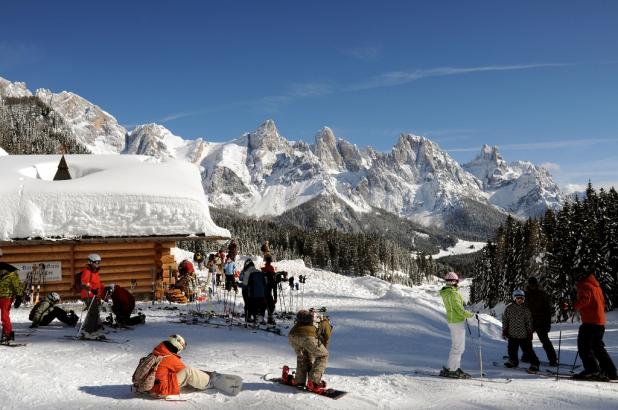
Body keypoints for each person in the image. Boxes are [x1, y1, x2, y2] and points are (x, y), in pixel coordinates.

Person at [573, 271, 617, 381]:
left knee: (584, 346)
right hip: (599, 322)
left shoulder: (585, 286)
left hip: (590, 322)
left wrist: (573, 305)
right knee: (598, 348)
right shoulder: (596, 286)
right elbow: (601, 302)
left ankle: (592, 370)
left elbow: (585, 300)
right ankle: (610, 371)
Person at [147, 334, 212, 398]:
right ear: (179, 346)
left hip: (149, 388)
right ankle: (209, 382)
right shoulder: (169, 357)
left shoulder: (157, 352)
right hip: (160, 391)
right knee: (189, 371)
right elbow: (184, 371)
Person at [286, 309, 332, 393]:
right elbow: (326, 338)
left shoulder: (308, 319)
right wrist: (323, 350)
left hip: (292, 336)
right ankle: (313, 382)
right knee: (323, 355)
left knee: (303, 356)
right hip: (307, 337)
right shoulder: (326, 323)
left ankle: (300, 381)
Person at [438, 272, 474, 379]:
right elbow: (458, 309)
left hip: (453, 321)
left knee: (456, 346)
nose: (457, 283)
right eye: (456, 281)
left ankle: (452, 367)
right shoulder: (452, 293)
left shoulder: (447, 292)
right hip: (457, 321)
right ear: (454, 282)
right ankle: (453, 370)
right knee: (458, 347)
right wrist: (471, 315)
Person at [502, 289, 540, 373]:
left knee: (528, 351)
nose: (520, 300)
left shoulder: (525, 309)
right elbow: (505, 320)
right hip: (512, 334)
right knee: (511, 350)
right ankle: (513, 361)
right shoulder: (509, 308)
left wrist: (530, 332)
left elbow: (529, 321)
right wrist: (504, 330)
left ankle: (535, 364)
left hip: (524, 335)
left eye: (522, 299)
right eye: (518, 298)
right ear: (514, 298)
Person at [524, 277, 557, 366]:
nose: (532, 286)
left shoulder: (542, 294)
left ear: (536, 284)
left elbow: (548, 310)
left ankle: (553, 360)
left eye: (534, 284)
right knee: (525, 340)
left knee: (545, 341)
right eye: (531, 285)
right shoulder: (526, 294)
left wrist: (548, 323)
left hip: (541, 321)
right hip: (530, 321)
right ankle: (527, 356)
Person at [79, 253, 106, 339]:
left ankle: (93, 331)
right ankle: (88, 332)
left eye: (99, 262)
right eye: (96, 262)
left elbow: (98, 284)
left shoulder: (95, 272)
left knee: (95, 314)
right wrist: (91, 289)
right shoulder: (87, 271)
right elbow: (84, 284)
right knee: (92, 314)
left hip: (95, 295)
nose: (97, 264)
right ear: (90, 262)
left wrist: (105, 288)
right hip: (88, 295)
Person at [0, 261, 24, 344]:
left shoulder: (12, 275)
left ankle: (8, 335)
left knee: (4, 317)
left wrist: (19, 297)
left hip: (7, 298)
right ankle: (4, 334)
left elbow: (17, 286)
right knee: (4, 317)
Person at [261, 255, 278, 324]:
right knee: (271, 305)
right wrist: (275, 298)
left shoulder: (263, 270)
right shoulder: (270, 269)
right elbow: (274, 288)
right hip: (268, 292)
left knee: (264, 305)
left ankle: (261, 317)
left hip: (262, 292)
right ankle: (269, 318)